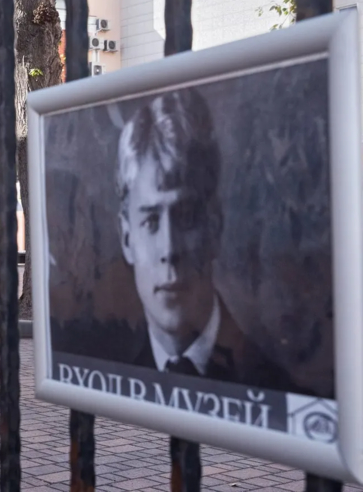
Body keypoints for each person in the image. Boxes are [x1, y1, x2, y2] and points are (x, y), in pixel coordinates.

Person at [112, 88, 309, 394]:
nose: (169, 249)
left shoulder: (279, 389)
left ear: (214, 228)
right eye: (150, 221)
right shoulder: (115, 376)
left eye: (187, 217)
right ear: (127, 238)